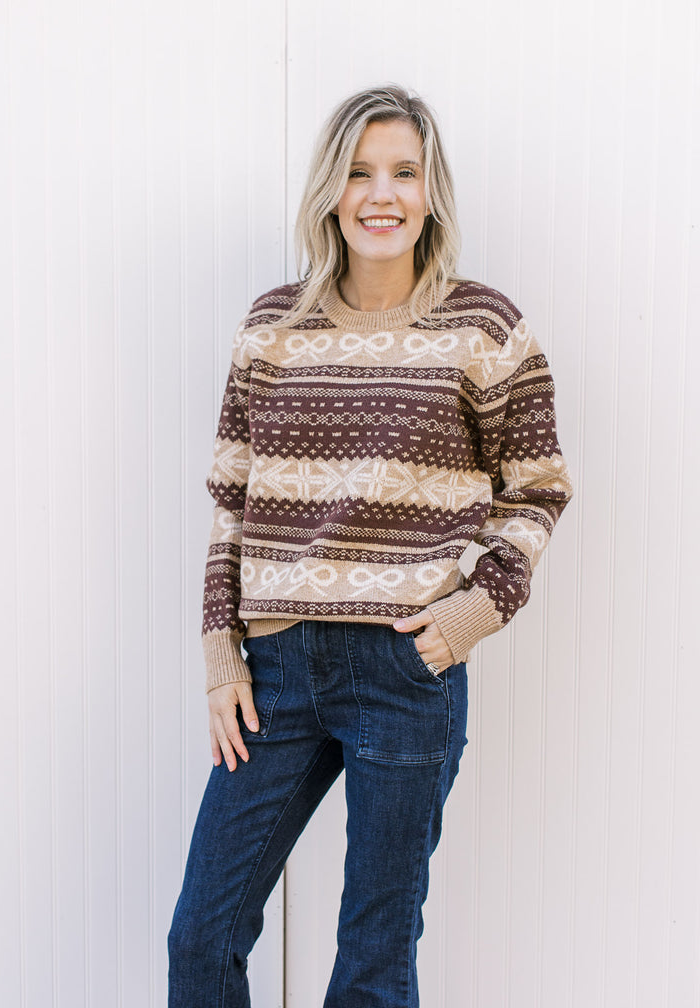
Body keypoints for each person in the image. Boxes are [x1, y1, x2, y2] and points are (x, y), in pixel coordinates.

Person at [168, 84, 573, 1008]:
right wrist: (219, 651)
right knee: (202, 936)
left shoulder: (485, 328)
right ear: (329, 191)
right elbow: (230, 498)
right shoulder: (272, 326)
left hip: (405, 669)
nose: (379, 193)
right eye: (358, 172)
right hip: (273, 675)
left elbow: (538, 490)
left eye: (403, 172)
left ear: (432, 195)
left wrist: (475, 610)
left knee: (373, 958)